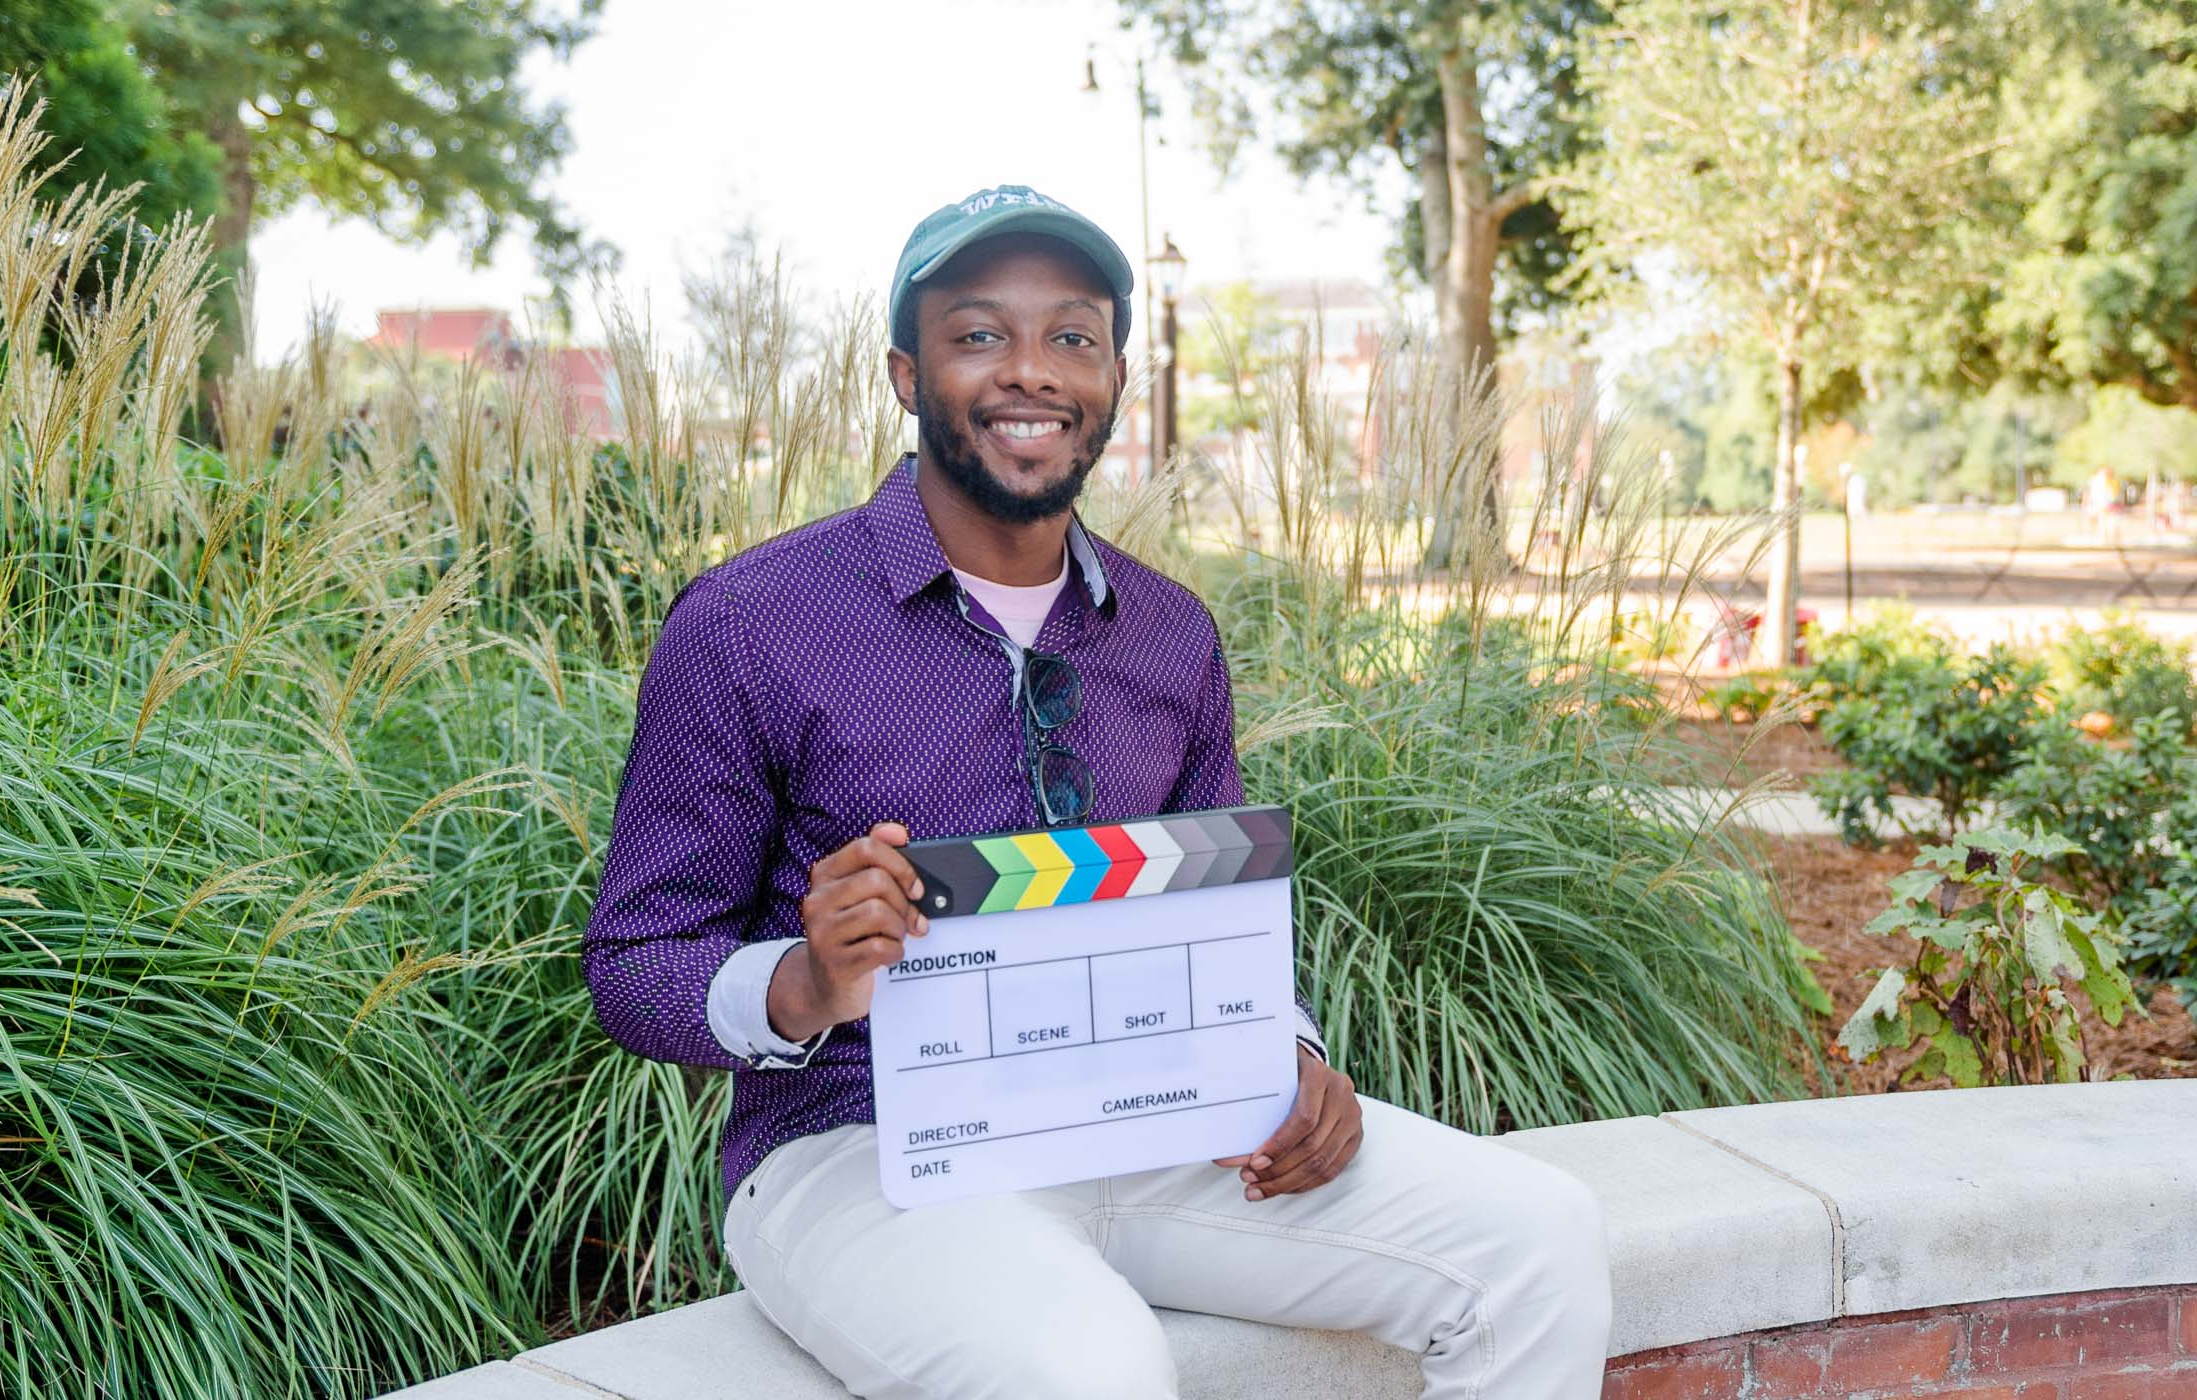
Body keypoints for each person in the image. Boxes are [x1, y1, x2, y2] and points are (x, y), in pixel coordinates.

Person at [582, 185, 1612, 1400]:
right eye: (980, 334)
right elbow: (634, 958)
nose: (1032, 372)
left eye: (1071, 336)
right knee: (1084, 1366)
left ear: (1116, 375)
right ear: (908, 375)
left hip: (1152, 1115)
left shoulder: (1170, 632)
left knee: (1536, 1238)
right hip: (864, 1144)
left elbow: (1217, 911)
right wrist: (804, 981)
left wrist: (1285, 1052)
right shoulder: (753, 622)